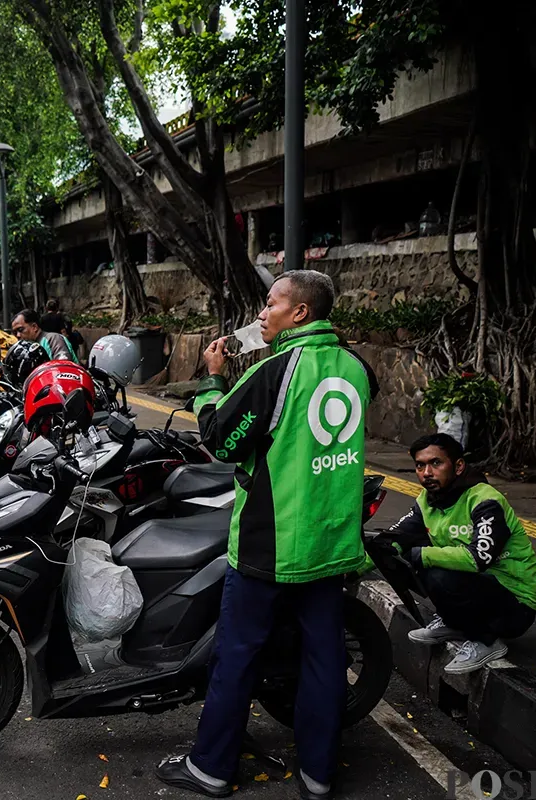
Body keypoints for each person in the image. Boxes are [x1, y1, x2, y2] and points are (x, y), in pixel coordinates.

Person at [156, 270, 376, 800]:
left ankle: (210, 768)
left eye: (271, 303)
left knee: (237, 655)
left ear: (299, 312)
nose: (262, 313)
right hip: (331, 543)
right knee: (325, 660)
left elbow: (221, 439)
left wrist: (213, 380)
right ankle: (319, 776)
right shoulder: (357, 367)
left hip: (270, 543)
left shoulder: (277, 370)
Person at [373, 433, 536, 674]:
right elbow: (395, 538)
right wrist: (351, 568)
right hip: (481, 590)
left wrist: (424, 555)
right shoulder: (427, 501)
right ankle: (455, 622)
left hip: (515, 604)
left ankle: (486, 641)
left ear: (459, 466)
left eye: (436, 463)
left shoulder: (485, 500)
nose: (427, 472)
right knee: (406, 556)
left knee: (433, 569)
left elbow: (478, 558)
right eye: (420, 465)